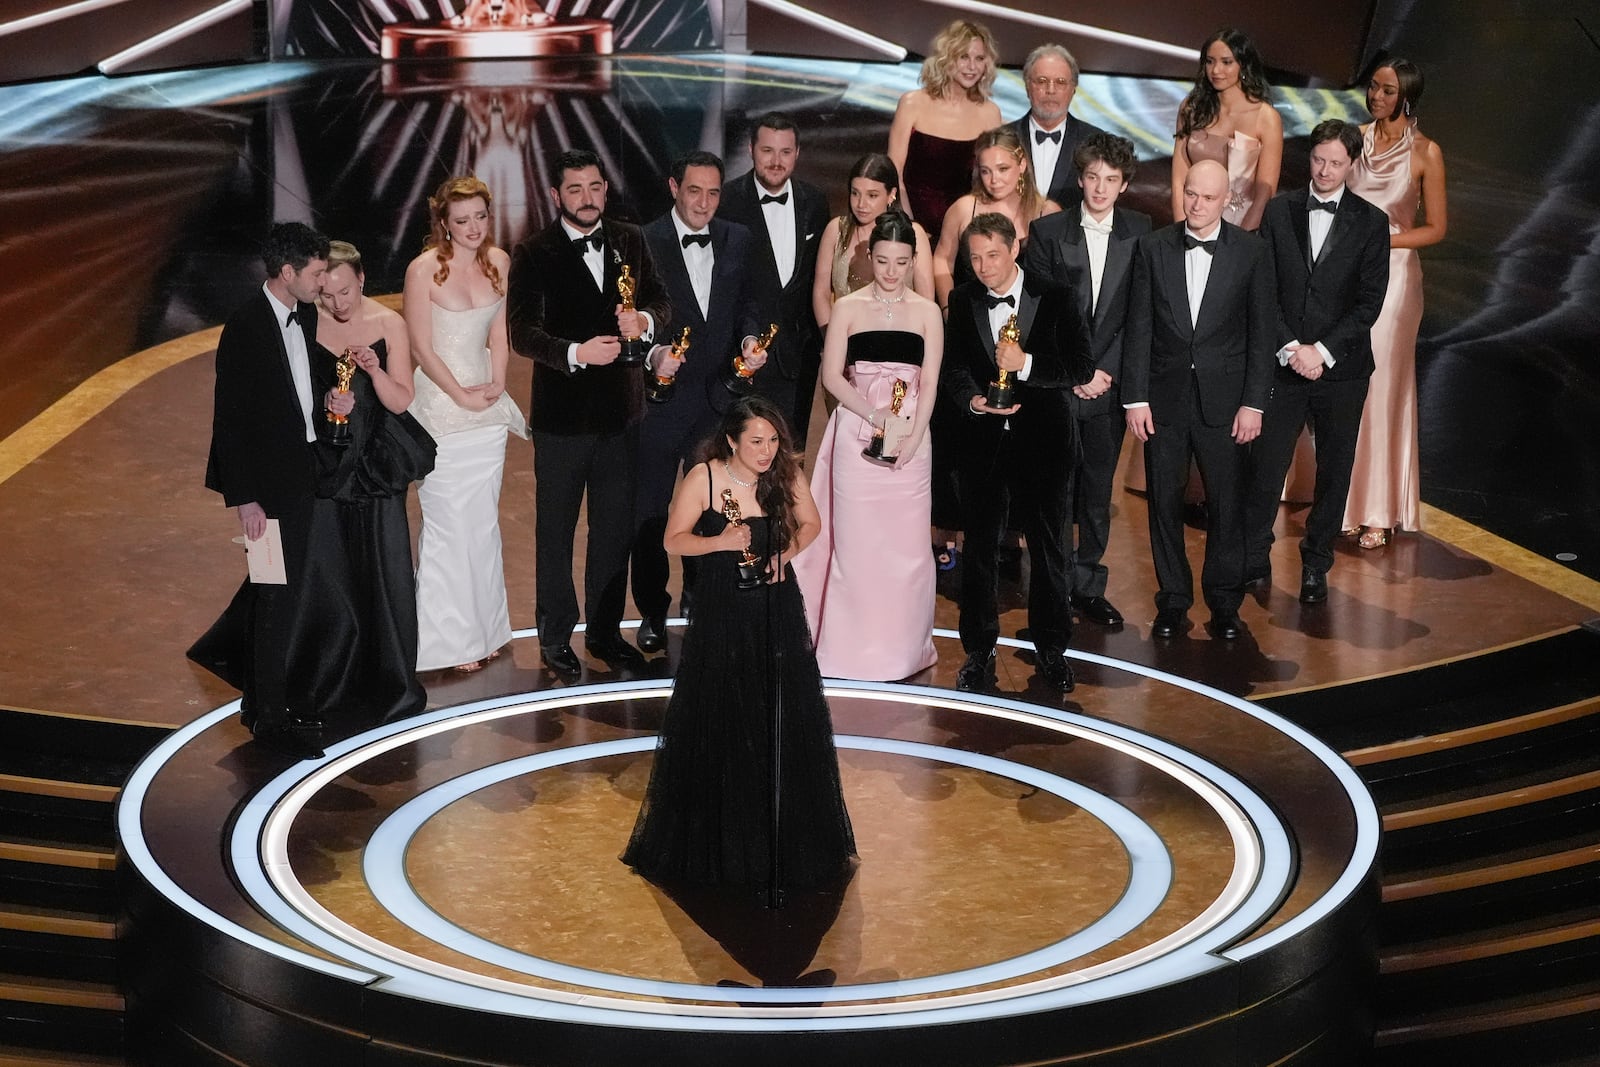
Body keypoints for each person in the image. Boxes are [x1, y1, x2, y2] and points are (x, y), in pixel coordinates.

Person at [622, 396, 856, 896]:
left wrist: (785, 555)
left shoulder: (784, 475)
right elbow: (673, 540)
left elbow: (812, 523)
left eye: (773, 440)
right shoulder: (704, 478)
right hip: (722, 612)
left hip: (776, 607)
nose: (767, 450)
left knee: (779, 713)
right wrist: (719, 544)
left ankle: (780, 835)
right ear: (731, 440)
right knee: (723, 712)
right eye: (756, 441)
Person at [507, 149, 670, 676]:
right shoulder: (532, 252)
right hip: (562, 421)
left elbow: (660, 302)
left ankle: (603, 632)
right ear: (556, 196)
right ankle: (556, 637)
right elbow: (522, 334)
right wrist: (577, 352)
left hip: (622, 416)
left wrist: (643, 319)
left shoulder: (630, 237)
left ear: (605, 188)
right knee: (555, 533)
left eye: (594, 187)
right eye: (574, 189)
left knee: (613, 532)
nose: (586, 198)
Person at [188, 222, 337, 760]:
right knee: (276, 597)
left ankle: (265, 701)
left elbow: (303, 388)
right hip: (267, 494)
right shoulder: (245, 327)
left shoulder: (306, 314)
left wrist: (330, 407)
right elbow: (229, 422)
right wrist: (245, 499)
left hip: (301, 476)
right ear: (288, 272)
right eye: (317, 273)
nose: (323, 282)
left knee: (284, 595)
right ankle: (269, 717)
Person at [1123, 159, 1275, 641]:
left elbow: (1261, 333)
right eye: (1191, 194)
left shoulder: (1251, 252)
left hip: (1227, 403)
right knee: (1163, 502)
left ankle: (1225, 604)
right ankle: (1172, 600)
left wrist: (1255, 403)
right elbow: (1139, 325)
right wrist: (1134, 398)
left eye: (1208, 198)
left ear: (1226, 199)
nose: (1197, 205)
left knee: (1227, 504)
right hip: (1163, 400)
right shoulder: (1152, 247)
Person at [943, 213, 1094, 692]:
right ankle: (978, 649)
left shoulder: (1057, 294)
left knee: (1049, 553)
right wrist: (971, 398)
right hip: (983, 446)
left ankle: (1051, 651)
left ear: (1014, 250)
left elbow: (1080, 366)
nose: (984, 268)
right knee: (981, 552)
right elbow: (954, 365)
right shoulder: (962, 299)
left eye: (992, 255)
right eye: (975, 258)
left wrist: (1025, 364)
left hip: (1044, 444)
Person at [792, 212, 942, 681]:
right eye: (882, 260)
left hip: (911, 441)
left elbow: (931, 380)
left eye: (901, 261)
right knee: (856, 547)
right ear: (868, 258)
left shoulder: (927, 312)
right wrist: (876, 416)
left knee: (908, 549)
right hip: (856, 433)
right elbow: (832, 376)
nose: (891, 271)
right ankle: (849, 651)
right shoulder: (849, 307)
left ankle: (902, 651)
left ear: (914, 260)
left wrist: (913, 438)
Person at [294, 240, 435, 733]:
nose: (337, 303)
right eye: (326, 293)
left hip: (374, 463)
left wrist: (373, 373)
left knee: (384, 572)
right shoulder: (305, 321)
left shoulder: (387, 324)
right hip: (324, 465)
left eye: (346, 291)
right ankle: (328, 678)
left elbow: (400, 402)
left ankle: (389, 683)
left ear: (362, 280)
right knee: (328, 573)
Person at [1247, 121, 1391, 603]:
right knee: (1266, 466)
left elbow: (1369, 303)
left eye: (1335, 162)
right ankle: (1254, 556)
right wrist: (1290, 347)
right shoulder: (1279, 210)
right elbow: (1263, 289)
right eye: (1318, 160)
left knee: (1334, 470)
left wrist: (1322, 353)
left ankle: (1315, 564)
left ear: (1352, 164)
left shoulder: (1371, 222)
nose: (1325, 171)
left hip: (1342, 370)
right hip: (1283, 364)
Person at [634, 151, 765, 653]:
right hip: (659, 403)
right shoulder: (645, 239)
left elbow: (749, 305)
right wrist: (652, 358)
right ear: (673, 186)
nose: (704, 202)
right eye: (694, 191)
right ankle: (651, 610)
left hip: (718, 401)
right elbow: (631, 314)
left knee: (712, 506)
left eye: (713, 192)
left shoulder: (738, 238)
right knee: (649, 511)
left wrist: (751, 340)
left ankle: (700, 594)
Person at [1024, 133, 1152, 628]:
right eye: (1093, 178)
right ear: (1080, 180)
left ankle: (1088, 586)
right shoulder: (1048, 231)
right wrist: (1076, 370)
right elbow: (1036, 314)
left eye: (1111, 180)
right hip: (1058, 385)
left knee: (1097, 492)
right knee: (1054, 489)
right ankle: (1051, 587)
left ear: (1123, 185)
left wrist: (1106, 372)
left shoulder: (1141, 232)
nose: (1100, 188)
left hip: (1110, 383)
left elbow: (1140, 316)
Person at [403, 177, 528, 674]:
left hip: (487, 411)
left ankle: (487, 631)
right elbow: (419, 347)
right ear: (442, 223)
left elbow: (499, 331)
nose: (474, 228)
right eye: (462, 220)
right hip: (441, 408)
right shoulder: (422, 270)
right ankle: (447, 643)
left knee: (481, 525)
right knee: (449, 525)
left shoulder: (498, 262)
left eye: (480, 217)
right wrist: (460, 395)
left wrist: (497, 382)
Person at [1342, 58, 1447, 549]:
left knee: (1381, 386)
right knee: (1339, 382)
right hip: (1346, 277)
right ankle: (1337, 496)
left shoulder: (1426, 153)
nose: (1375, 97)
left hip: (1396, 279)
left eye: (1386, 91)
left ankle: (1378, 509)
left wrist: (1383, 243)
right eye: (1372, 88)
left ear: (1406, 97)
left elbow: (1437, 228)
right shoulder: (1354, 142)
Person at [719, 113, 830, 449]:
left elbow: (819, 280)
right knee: (741, 450)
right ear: (752, 150)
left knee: (791, 453)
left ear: (797, 153)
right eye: (768, 150)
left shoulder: (816, 202)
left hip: (798, 355)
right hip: (740, 353)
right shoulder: (726, 201)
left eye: (785, 152)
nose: (776, 161)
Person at [889, 19, 1003, 243]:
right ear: (946, 58)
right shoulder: (912, 103)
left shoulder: (990, 113)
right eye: (963, 57)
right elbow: (894, 174)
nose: (972, 67)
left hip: (964, 231)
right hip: (910, 226)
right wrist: (911, 228)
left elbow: (992, 182)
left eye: (979, 58)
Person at [933, 124, 1061, 311]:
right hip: (973, 318)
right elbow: (943, 259)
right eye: (986, 171)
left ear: (1022, 165)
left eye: (1003, 169)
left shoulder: (1047, 213)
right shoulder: (964, 209)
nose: (994, 180)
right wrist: (948, 309)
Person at [1170, 28, 1283, 233]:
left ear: (1243, 65)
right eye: (1210, 61)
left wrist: (1239, 242)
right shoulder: (1191, 108)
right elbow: (1179, 178)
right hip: (1193, 221)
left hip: (1242, 226)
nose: (1216, 70)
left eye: (1226, 62)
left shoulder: (1266, 118)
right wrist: (1181, 229)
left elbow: (1265, 193)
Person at [811, 153, 935, 327]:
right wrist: (833, 339)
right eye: (855, 193)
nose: (861, 204)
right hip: (842, 341)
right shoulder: (836, 230)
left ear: (891, 194)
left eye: (872, 195)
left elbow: (926, 301)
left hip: (901, 340)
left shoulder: (914, 234)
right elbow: (821, 293)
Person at [1008, 43, 1106, 206]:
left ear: (1073, 89)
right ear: (1027, 86)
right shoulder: (1003, 138)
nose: (1050, 90)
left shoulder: (1096, 141)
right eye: (1041, 81)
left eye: (1060, 82)